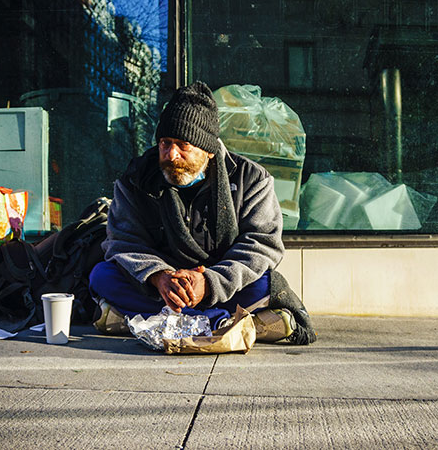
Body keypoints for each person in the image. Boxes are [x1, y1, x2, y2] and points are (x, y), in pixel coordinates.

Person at [89, 81, 316, 344]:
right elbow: (122, 241)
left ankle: (144, 319)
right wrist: (158, 277)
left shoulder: (251, 179)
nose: (171, 154)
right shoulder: (136, 178)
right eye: (165, 143)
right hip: (161, 288)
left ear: (208, 150)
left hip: (221, 283)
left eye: (183, 144)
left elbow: (262, 245)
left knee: (265, 283)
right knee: (102, 276)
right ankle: (222, 321)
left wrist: (208, 283)